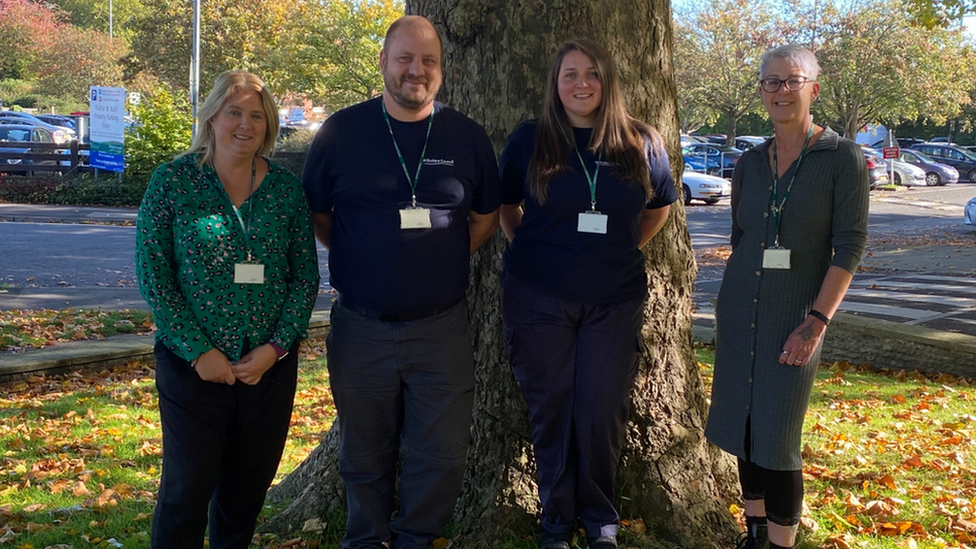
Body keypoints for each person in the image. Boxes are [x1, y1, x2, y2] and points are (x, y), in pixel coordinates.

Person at [300, 15, 500, 549]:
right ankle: (366, 539)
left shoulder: (467, 137)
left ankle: (416, 538)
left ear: (442, 69)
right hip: (361, 326)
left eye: (428, 60)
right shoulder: (343, 132)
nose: (417, 70)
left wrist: (435, 264)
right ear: (385, 63)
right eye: (405, 58)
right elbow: (321, 216)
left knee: (442, 454)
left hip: (442, 328)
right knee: (363, 453)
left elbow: (481, 221)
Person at [498, 39, 678, 549]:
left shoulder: (641, 142)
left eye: (592, 73)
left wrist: (622, 247)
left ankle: (600, 518)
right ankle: (555, 520)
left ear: (608, 81)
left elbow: (659, 207)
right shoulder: (530, 140)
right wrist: (528, 247)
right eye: (570, 74)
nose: (582, 84)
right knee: (550, 408)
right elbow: (505, 205)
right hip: (537, 297)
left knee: (601, 411)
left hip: (614, 298)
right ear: (555, 85)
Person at [135, 70, 320, 549]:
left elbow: (304, 278)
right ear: (212, 117)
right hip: (192, 368)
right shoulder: (173, 182)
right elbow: (155, 277)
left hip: (267, 371)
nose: (245, 124)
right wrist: (199, 351)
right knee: (186, 492)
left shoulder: (284, 190)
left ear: (270, 125)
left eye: (256, 115)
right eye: (234, 112)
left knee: (244, 497)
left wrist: (277, 347)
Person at [704, 44, 869, 549]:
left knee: (777, 435)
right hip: (739, 312)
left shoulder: (842, 158)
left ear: (813, 88)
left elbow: (850, 245)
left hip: (796, 316)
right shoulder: (750, 163)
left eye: (791, 80)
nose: (780, 90)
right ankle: (753, 534)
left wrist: (817, 320)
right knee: (742, 426)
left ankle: (780, 543)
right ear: (761, 92)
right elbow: (742, 237)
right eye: (770, 82)